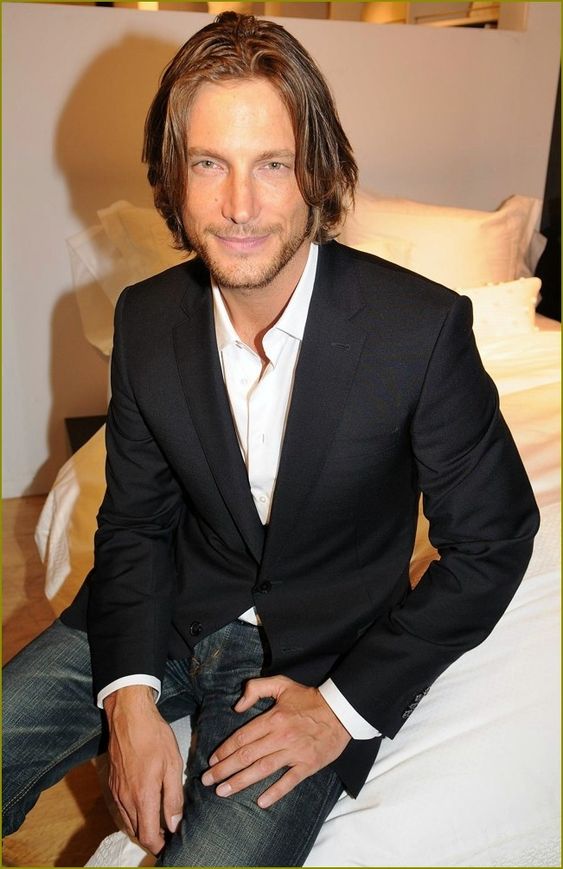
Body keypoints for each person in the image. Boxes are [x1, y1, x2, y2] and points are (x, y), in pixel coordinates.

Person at [3, 12, 539, 867]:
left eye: (273, 164)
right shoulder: (146, 320)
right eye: (209, 163)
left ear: (318, 173)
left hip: (317, 656)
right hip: (163, 610)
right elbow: (135, 522)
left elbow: (493, 542)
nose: (240, 206)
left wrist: (342, 708)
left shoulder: (420, 330)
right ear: (173, 178)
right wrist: (128, 695)